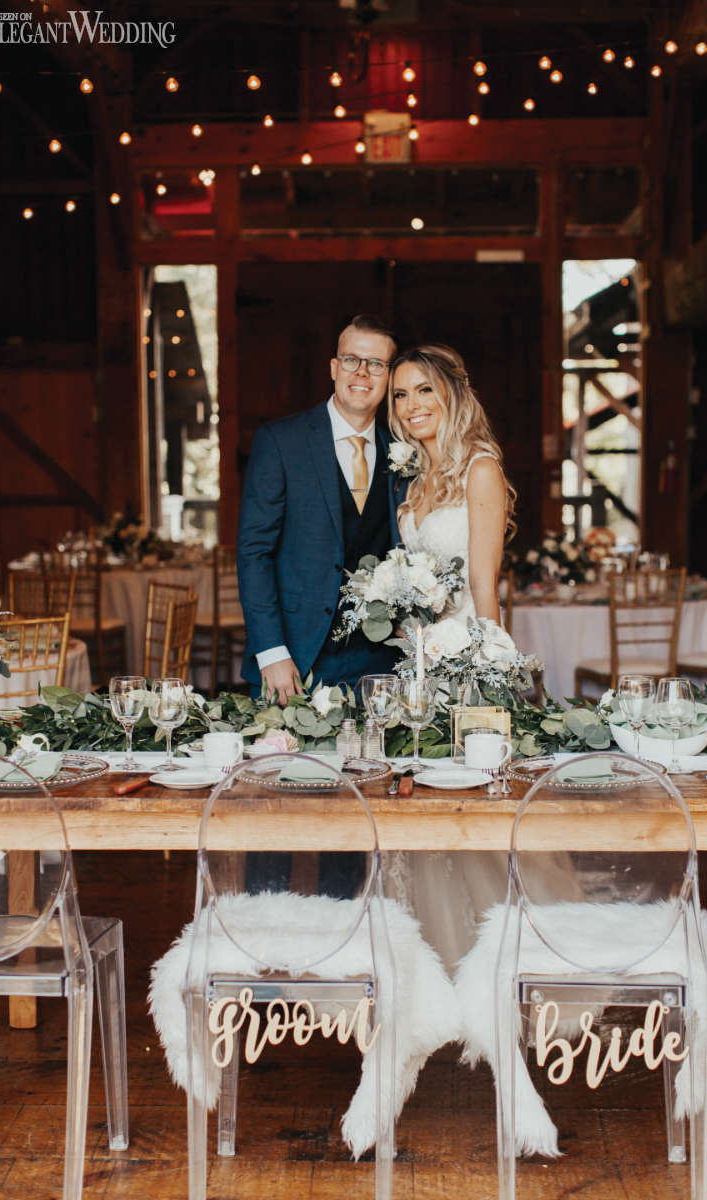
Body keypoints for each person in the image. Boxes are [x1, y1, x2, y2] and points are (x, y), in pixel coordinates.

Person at [383, 343, 518, 971]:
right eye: (401, 394)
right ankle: (428, 969)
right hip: (419, 668)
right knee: (422, 820)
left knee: (470, 820)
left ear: (453, 395)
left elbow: (484, 587)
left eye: (424, 391)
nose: (412, 405)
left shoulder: (479, 470)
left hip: (465, 664)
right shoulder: (413, 480)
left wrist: (491, 680)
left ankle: (490, 962)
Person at [237, 314, 406, 701]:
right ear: (334, 367)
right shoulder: (281, 441)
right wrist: (272, 651)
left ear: (389, 376)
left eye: (376, 364)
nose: (362, 372)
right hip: (295, 660)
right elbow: (253, 553)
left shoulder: (403, 450)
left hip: (382, 663)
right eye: (351, 359)